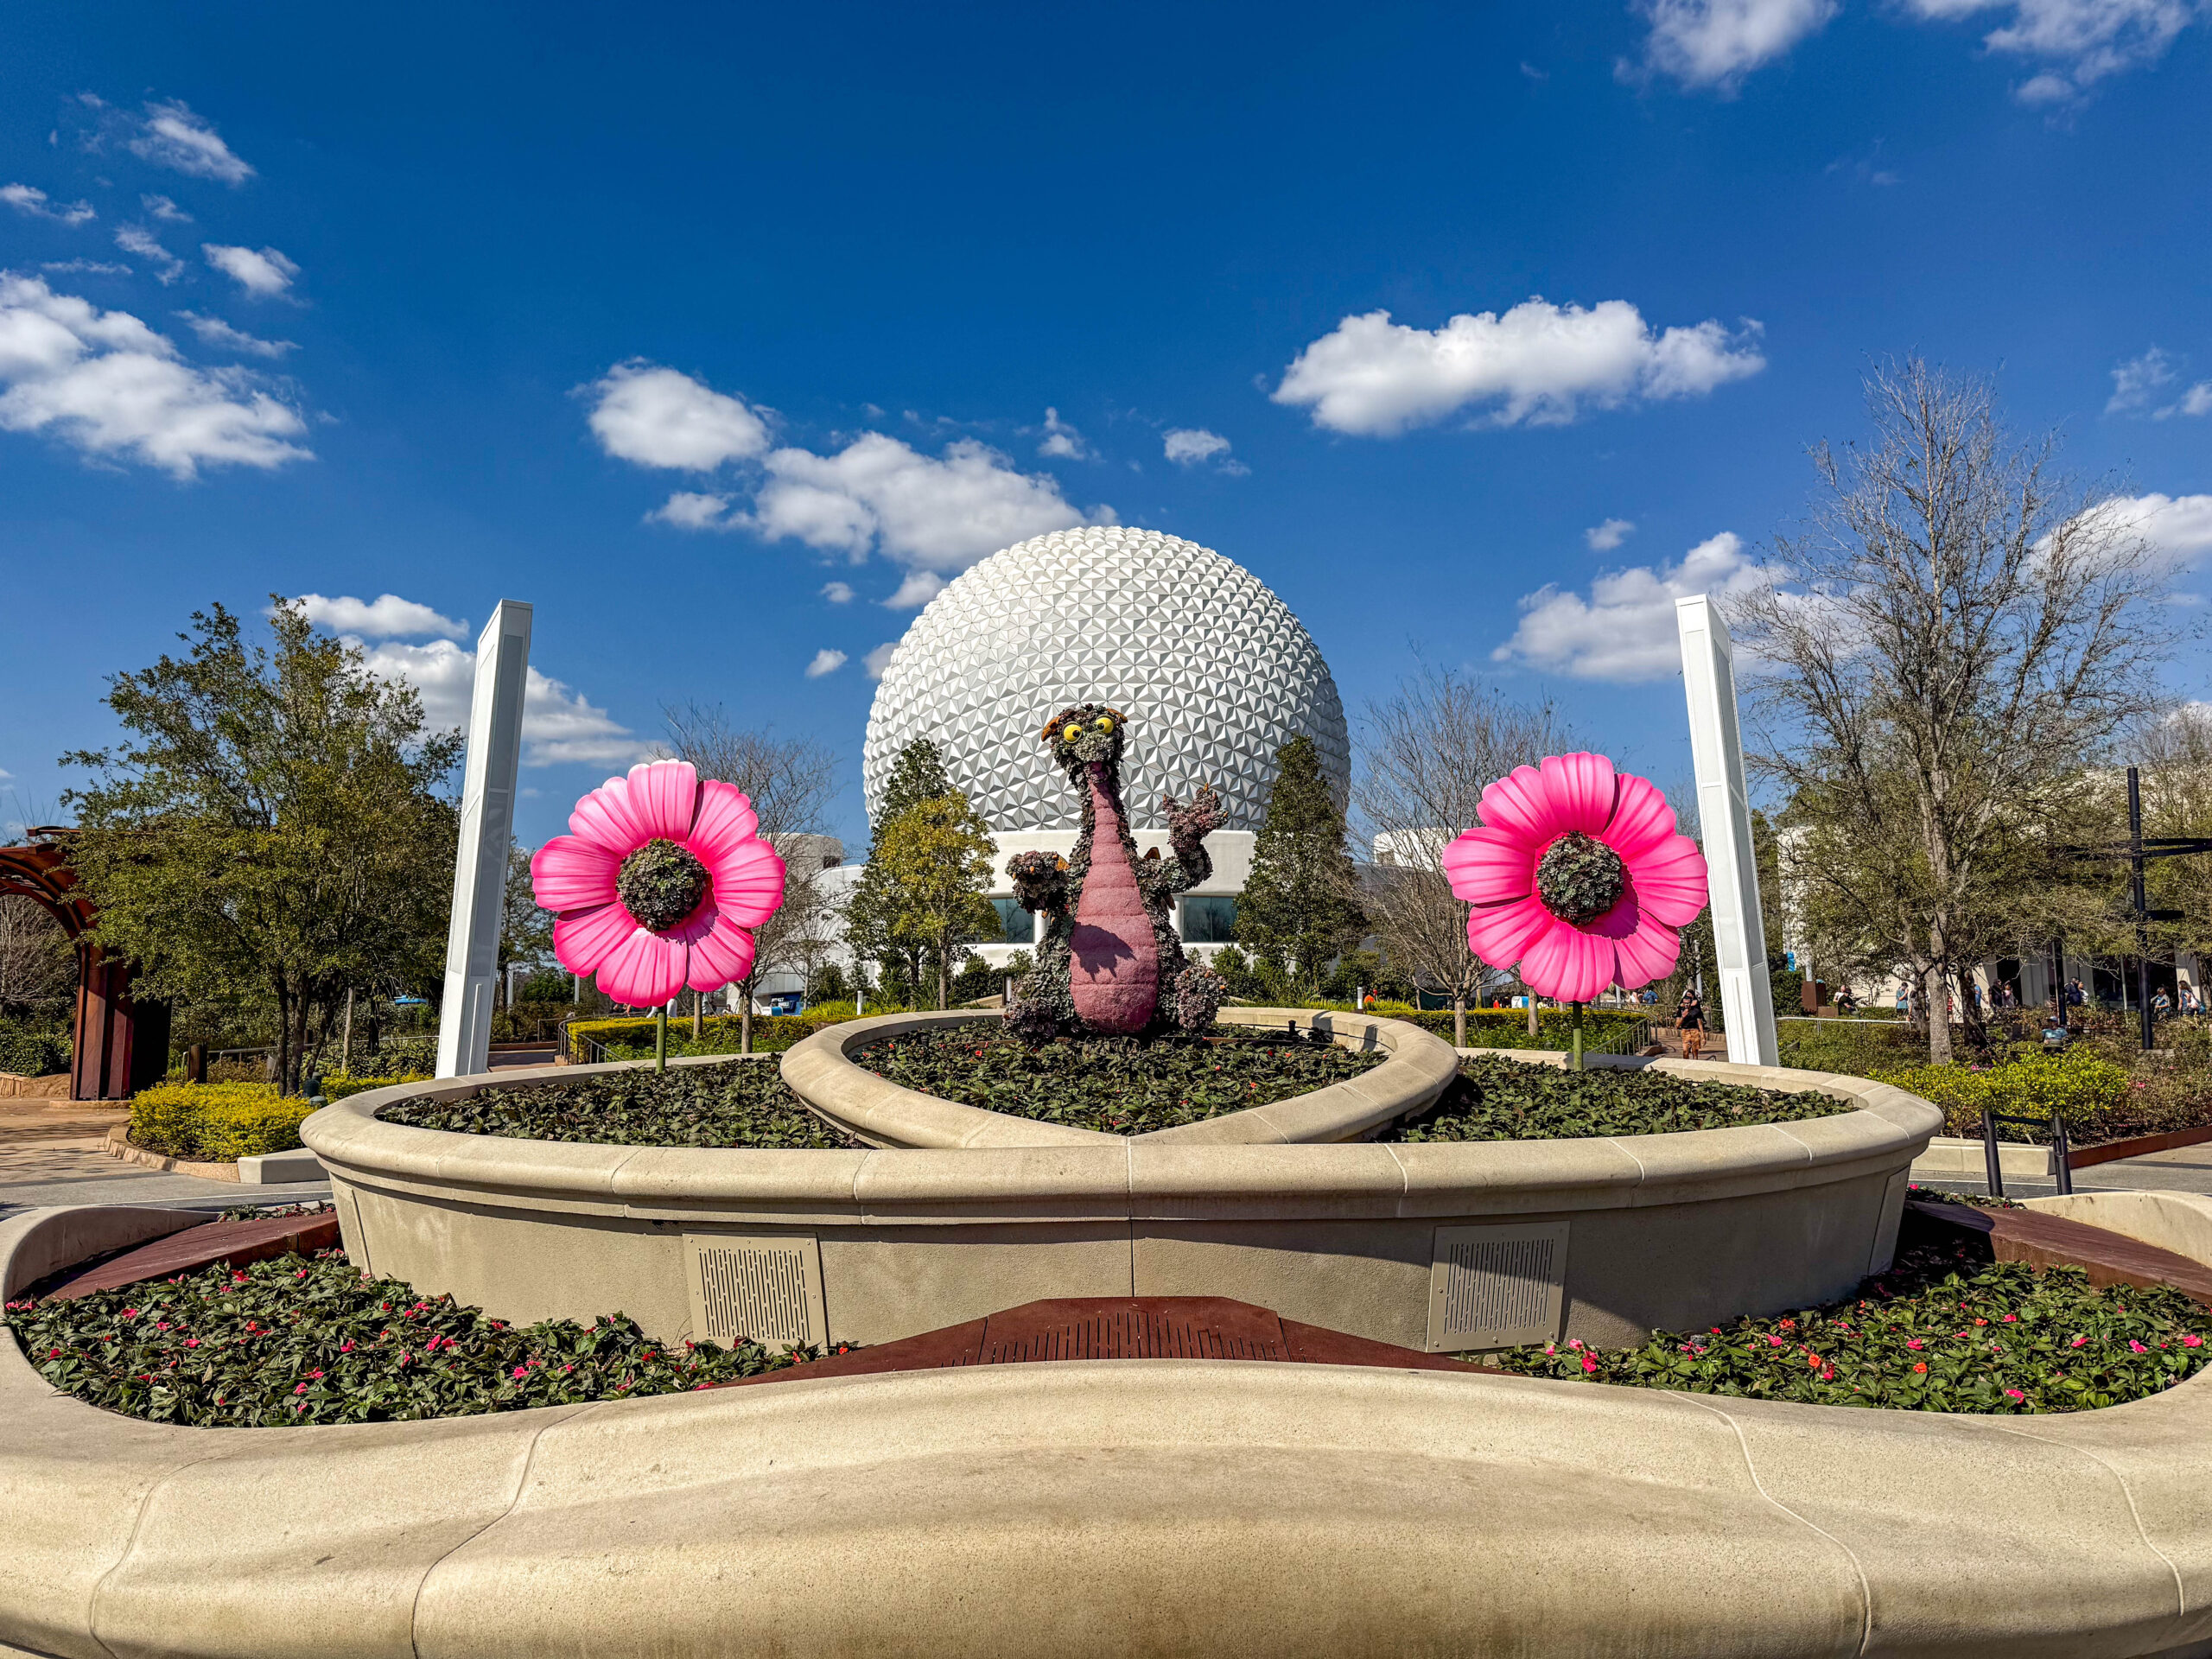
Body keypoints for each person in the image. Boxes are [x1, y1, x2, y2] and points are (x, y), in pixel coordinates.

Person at [1677, 987, 1706, 1061]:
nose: (1686, 1005)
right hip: (1685, 1031)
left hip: (1694, 1031)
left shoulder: (1696, 1011)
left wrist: (1703, 1036)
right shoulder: (1681, 1011)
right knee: (1685, 1051)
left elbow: (1700, 1024)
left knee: (1694, 1051)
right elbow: (1677, 1025)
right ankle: (1686, 1064)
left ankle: (1695, 1064)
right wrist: (1683, 1017)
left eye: (1688, 1003)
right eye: (1685, 1003)